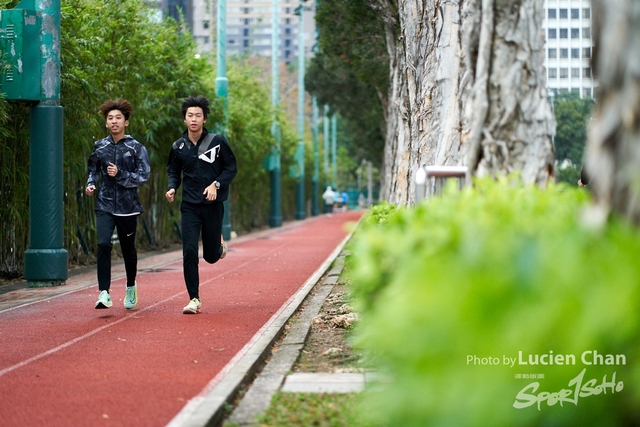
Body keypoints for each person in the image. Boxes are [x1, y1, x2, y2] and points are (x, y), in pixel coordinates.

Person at [166, 95, 238, 314]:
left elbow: (231, 167)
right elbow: (173, 171)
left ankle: (218, 245)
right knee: (189, 251)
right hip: (189, 205)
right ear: (185, 119)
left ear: (204, 119)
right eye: (190, 115)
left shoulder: (217, 141)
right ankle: (194, 299)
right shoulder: (178, 146)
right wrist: (172, 187)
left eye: (198, 115)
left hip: (212, 204)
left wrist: (216, 184)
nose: (194, 119)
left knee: (210, 257)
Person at [86, 99, 151, 310]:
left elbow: (144, 175)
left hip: (128, 207)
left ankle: (130, 285)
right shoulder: (100, 146)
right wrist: (90, 184)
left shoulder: (135, 147)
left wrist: (120, 174)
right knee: (103, 244)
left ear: (126, 122)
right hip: (104, 204)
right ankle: (104, 292)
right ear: (106, 123)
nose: (114, 122)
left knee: (128, 249)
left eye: (118, 118)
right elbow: (93, 169)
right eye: (110, 118)